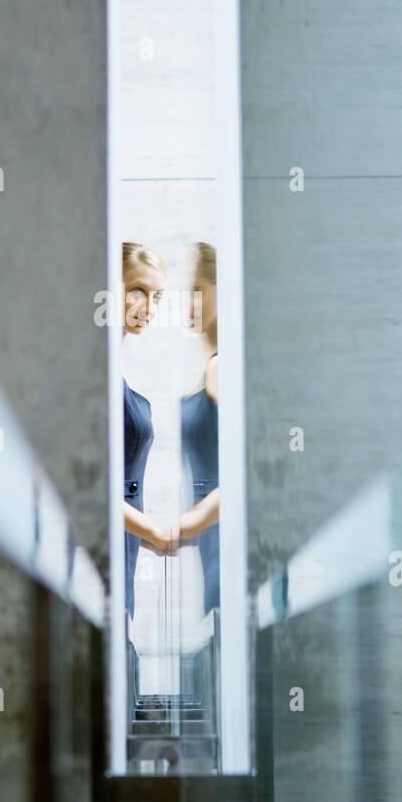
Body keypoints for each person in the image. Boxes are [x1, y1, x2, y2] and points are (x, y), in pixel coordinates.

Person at [121, 241, 176, 619]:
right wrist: (154, 532)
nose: (149, 308)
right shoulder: (90, 370)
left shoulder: (112, 368)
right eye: (137, 291)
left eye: (157, 296)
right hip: (93, 561)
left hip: (119, 558)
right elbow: (81, 488)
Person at [178, 242, 219, 614]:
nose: (188, 304)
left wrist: (186, 526)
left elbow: (247, 477)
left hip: (226, 547)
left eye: (197, 291)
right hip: (212, 546)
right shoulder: (208, 368)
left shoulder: (220, 369)